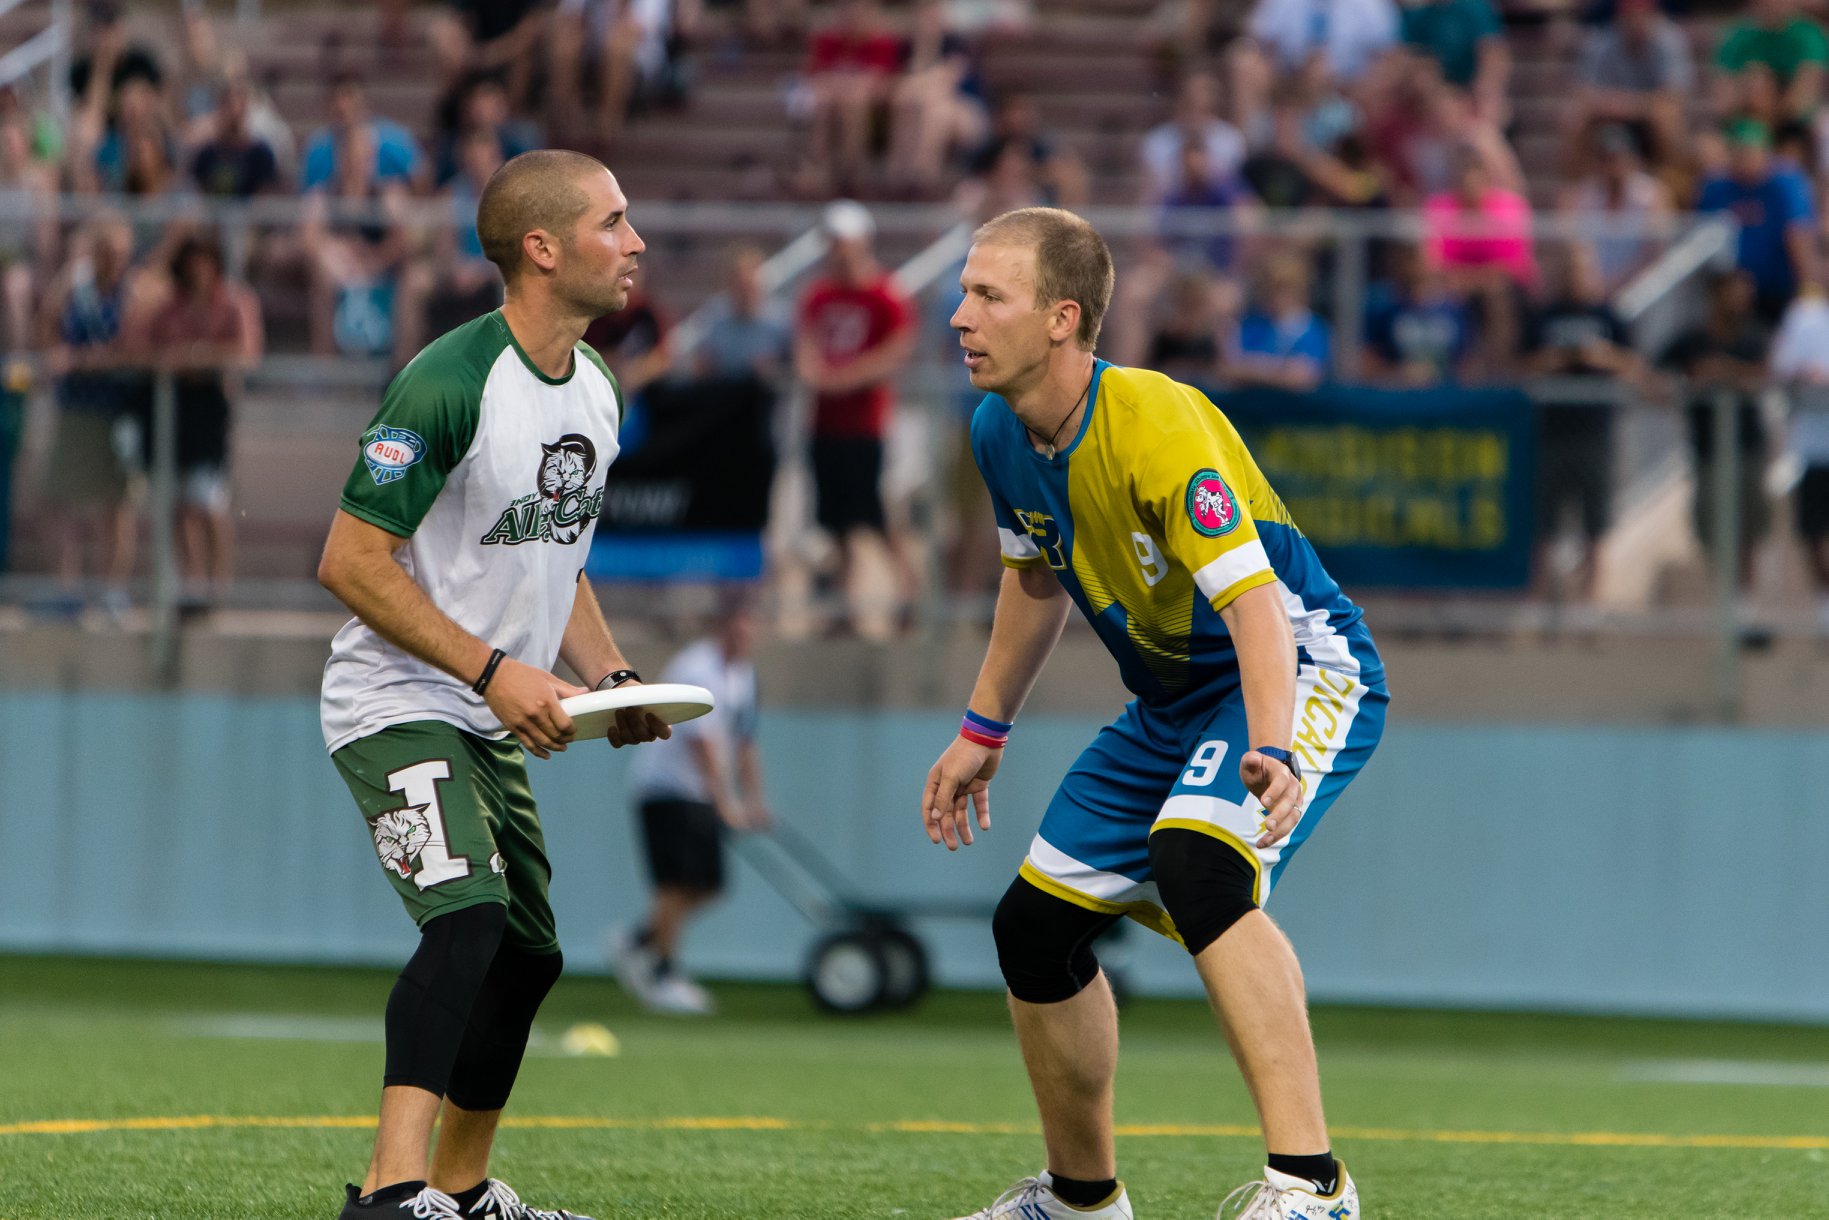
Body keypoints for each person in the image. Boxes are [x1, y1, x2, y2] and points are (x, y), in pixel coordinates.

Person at [926, 206, 1385, 1220]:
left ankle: (1312, 1188)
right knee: (1032, 929)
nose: (957, 314)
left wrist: (1270, 743)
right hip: (1173, 700)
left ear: (1061, 317)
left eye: (984, 295)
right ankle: (1081, 1201)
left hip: (1301, 664)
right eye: (962, 290)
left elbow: (1256, 605)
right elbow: (1032, 581)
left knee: (1200, 862)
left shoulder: (1155, 420)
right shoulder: (998, 428)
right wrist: (981, 727)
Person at [316, 149, 665, 1220]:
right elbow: (349, 559)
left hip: (488, 711)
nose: (636, 242)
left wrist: (604, 672)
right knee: (467, 919)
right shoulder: (447, 379)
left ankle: (461, 1194)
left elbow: (558, 557)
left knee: (526, 956)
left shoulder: (596, 387)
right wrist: (490, 666)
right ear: (543, 248)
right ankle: (390, 1195)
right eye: (613, 220)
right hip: (396, 702)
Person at [613, 594, 770, 1015]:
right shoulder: (697, 667)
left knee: (708, 887)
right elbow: (703, 744)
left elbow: (744, 740)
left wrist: (754, 802)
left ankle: (637, 942)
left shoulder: (743, 674)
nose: (746, 638)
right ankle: (662, 972)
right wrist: (726, 803)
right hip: (667, 789)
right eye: (738, 630)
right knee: (676, 883)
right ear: (722, 628)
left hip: (698, 794)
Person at [794, 200, 918, 631]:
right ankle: (845, 608)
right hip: (827, 424)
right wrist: (820, 376)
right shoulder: (820, 294)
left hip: (865, 424)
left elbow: (895, 351)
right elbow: (806, 347)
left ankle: (908, 593)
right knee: (837, 521)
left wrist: (841, 378)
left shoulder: (884, 294)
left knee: (876, 516)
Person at [135, 233, 264, 599]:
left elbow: (246, 353)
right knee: (178, 504)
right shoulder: (168, 305)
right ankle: (190, 585)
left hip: (210, 410)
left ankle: (217, 586)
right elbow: (147, 351)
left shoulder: (234, 301)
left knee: (208, 502)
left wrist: (199, 358)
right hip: (173, 409)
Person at [1520, 243, 1640, 603]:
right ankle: (1540, 604)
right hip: (1550, 432)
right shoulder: (1543, 318)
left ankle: (1589, 606)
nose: (1575, 276)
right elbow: (1518, 367)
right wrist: (1555, 359)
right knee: (1543, 527)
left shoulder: (1610, 317)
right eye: (1569, 268)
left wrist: (1601, 356)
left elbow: (1635, 368)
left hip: (1595, 433)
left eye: (1582, 268)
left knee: (1596, 527)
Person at [1658, 268, 1773, 600]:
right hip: (1707, 447)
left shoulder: (1754, 335)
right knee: (1710, 526)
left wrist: (1722, 371)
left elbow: (1763, 375)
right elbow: (1653, 376)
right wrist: (1682, 387)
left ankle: (1744, 606)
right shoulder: (1693, 339)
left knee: (1749, 526)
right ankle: (1728, 599)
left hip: (1748, 444)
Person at [1698, 118, 1818, 324]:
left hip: (1779, 287)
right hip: (1728, 289)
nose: (1743, 158)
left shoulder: (1785, 184)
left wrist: (1807, 288)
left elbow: (1798, 235)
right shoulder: (1716, 187)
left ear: (1765, 152)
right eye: (1737, 152)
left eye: (1749, 151)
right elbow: (1702, 239)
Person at [1765, 284, 1829, 632]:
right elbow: (1779, 369)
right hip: (1814, 446)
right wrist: (1804, 376)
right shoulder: (1803, 318)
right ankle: (1825, 606)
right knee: (1813, 530)